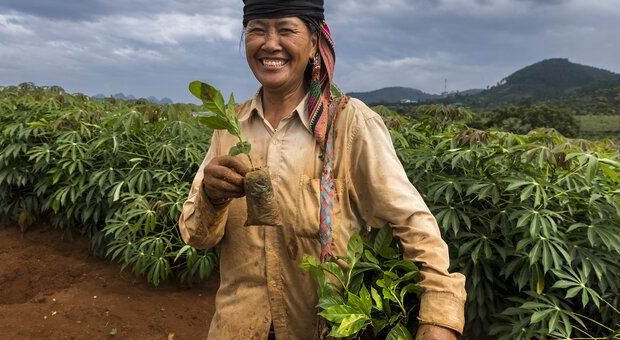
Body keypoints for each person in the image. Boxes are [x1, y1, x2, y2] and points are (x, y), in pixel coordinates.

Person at [179, 0, 466, 338]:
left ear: (314, 42)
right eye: (257, 31)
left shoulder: (347, 124)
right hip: (238, 327)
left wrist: (439, 315)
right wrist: (211, 198)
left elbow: (412, 224)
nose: (270, 43)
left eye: (286, 29)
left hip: (325, 328)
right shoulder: (230, 126)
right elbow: (196, 237)